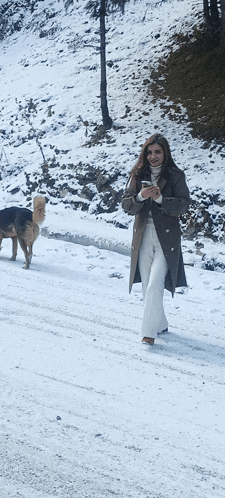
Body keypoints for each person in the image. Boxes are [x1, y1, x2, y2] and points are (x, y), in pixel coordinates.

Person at [122, 133, 190, 346]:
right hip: (142, 238)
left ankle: (148, 334)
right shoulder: (137, 174)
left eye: (157, 152)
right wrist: (141, 196)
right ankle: (159, 324)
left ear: (165, 153)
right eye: (149, 152)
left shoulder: (176, 176)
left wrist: (160, 199)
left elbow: (183, 205)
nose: (153, 156)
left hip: (167, 240)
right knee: (146, 288)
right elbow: (126, 205)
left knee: (154, 284)